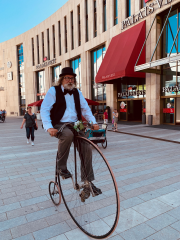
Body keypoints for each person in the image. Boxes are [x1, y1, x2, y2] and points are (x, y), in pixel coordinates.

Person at [41, 67, 102, 197]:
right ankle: (61, 167)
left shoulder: (77, 92)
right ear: (61, 79)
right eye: (67, 78)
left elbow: (85, 109)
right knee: (67, 135)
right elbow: (44, 109)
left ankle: (87, 181)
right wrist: (48, 127)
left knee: (86, 146)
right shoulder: (54, 91)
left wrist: (93, 122)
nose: (70, 80)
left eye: (72, 78)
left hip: (76, 123)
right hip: (59, 123)